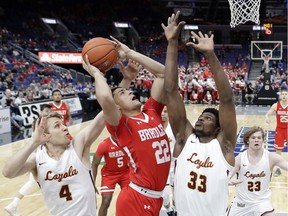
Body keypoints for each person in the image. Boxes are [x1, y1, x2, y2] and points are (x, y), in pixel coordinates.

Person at [82, 38, 171, 215]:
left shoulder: (151, 112)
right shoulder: (121, 125)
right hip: (136, 199)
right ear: (117, 108)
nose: (130, 91)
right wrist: (98, 74)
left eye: (127, 90)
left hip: (155, 198)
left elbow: (163, 74)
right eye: (123, 92)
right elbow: (106, 99)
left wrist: (129, 53)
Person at [162, 11, 237, 216]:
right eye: (201, 116)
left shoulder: (223, 146)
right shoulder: (184, 139)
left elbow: (227, 100)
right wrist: (171, 43)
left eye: (209, 118)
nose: (201, 118)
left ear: (218, 129)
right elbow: (170, 91)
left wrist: (210, 56)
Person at [2, 109, 105, 215]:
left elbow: (104, 114)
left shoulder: (77, 146)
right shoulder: (37, 159)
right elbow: (8, 172)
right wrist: (34, 142)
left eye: (63, 124)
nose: (65, 128)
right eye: (57, 126)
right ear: (45, 135)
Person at [226, 126, 288, 216]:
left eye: (259, 138)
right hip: (242, 203)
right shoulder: (240, 159)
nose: (256, 140)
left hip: (262, 203)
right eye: (253, 138)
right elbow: (225, 178)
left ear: (263, 140)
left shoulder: (271, 157)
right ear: (248, 140)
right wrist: (228, 181)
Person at [4, 104, 52, 216]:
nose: (48, 113)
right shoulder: (38, 123)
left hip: (40, 155)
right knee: (31, 183)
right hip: (38, 156)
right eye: (46, 111)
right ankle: (13, 205)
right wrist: (31, 163)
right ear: (41, 112)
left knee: (31, 183)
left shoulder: (44, 122)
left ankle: (13, 205)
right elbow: (35, 143)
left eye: (49, 111)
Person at [92, 137, 130, 216]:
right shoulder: (104, 144)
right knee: (106, 201)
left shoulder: (128, 140)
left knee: (130, 199)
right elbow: (95, 163)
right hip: (109, 175)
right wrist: (92, 182)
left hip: (125, 172)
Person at [265, 87, 288, 177]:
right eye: (282, 94)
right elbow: (268, 113)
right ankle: (278, 169)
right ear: (280, 96)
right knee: (278, 150)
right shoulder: (276, 105)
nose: (284, 96)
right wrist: (267, 117)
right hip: (279, 129)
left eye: (286, 94)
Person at [161, 107, 176, 215]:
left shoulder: (175, 128)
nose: (163, 114)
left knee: (177, 194)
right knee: (165, 196)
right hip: (162, 168)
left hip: (175, 166)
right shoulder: (153, 129)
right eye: (161, 111)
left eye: (166, 111)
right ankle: (169, 210)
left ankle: (175, 210)